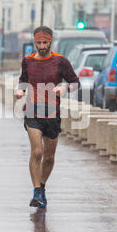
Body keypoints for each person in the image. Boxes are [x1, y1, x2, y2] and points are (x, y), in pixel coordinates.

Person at [16, 26, 79, 208]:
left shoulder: (61, 61)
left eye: (45, 43)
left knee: (49, 157)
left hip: (52, 113)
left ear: (51, 41)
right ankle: (36, 192)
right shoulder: (27, 61)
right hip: (32, 111)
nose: (42, 46)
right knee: (37, 152)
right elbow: (23, 79)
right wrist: (21, 90)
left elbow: (76, 82)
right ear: (34, 42)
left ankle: (42, 187)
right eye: (39, 43)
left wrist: (64, 88)